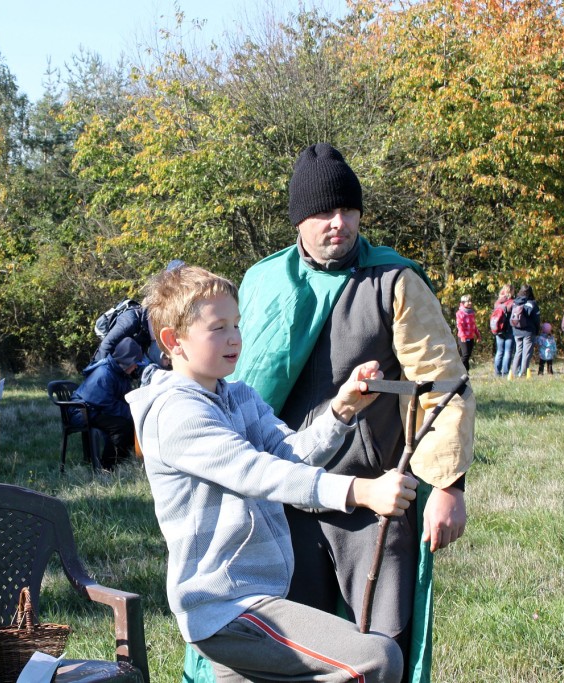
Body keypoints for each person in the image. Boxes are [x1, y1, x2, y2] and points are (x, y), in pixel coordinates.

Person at [220, 143, 475, 683]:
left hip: (374, 499)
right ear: (298, 220)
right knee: (290, 649)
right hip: (285, 496)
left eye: (348, 210)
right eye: (323, 212)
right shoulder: (264, 281)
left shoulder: (394, 281)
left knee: (381, 644)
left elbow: (441, 384)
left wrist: (448, 486)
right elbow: (229, 379)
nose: (338, 223)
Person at [127, 264, 411, 683]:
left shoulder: (238, 396)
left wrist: (342, 409)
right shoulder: (176, 413)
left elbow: (291, 455)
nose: (234, 337)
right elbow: (257, 472)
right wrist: (359, 491)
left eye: (236, 324)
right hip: (224, 606)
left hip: (254, 596)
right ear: (174, 341)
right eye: (218, 327)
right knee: (377, 658)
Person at [94, 260, 186, 369]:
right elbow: (107, 344)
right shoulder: (130, 320)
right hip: (120, 347)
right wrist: (96, 371)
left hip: (143, 342)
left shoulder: (171, 303)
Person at [69, 337, 143, 470]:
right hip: (81, 412)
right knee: (121, 425)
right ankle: (109, 466)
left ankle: (121, 460)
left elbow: (124, 398)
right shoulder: (104, 374)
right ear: (126, 360)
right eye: (135, 362)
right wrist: (131, 412)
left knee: (128, 422)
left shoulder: (119, 372)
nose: (136, 366)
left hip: (94, 409)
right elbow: (107, 404)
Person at [510, 285, 541, 378]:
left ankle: (514, 372)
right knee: (526, 352)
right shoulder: (532, 303)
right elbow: (536, 319)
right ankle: (523, 373)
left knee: (518, 351)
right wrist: (537, 330)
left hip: (516, 330)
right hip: (528, 331)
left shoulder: (515, 302)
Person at [491, 284, 515, 377]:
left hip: (498, 329)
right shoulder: (511, 302)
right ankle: (505, 372)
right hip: (508, 328)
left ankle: (497, 372)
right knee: (508, 351)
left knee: (499, 351)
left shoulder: (498, 302)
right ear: (511, 291)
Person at [455, 294, 480, 371]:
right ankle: (461, 371)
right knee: (465, 355)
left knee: (468, 355)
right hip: (463, 337)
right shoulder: (460, 313)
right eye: (468, 301)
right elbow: (459, 325)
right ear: (463, 303)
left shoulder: (471, 312)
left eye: (470, 301)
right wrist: (463, 336)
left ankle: (466, 371)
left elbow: (474, 325)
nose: (470, 303)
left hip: (471, 337)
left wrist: (478, 335)